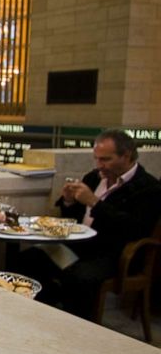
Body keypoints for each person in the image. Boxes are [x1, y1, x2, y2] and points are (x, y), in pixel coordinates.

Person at [16, 129, 161, 319]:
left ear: (126, 156)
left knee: (79, 277)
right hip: (78, 247)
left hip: (112, 254)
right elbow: (75, 219)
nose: (99, 165)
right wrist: (69, 201)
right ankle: (44, 313)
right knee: (27, 259)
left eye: (105, 159)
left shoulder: (148, 187)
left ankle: (79, 327)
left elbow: (133, 228)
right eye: (97, 159)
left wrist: (94, 202)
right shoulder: (94, 177)